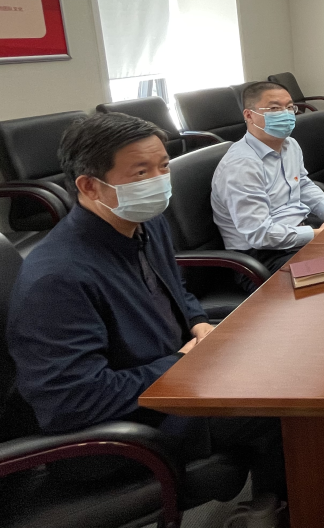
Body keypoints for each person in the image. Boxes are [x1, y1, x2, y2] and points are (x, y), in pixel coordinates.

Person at [6, 113, 287, 516]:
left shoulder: (145, 223)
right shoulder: (58, 278)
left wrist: (198, 323)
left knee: (280, 351)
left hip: (170, 378)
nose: (159, 180)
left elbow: (176, 289)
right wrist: (180, 364)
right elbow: (73, 402)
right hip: (120, 430)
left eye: (163, 166)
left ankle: (277, 501)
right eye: (141, 172)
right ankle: (282, 510)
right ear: (89, 186)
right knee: (282, 403)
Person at [211, 81, 324, 290]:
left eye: (289, 107)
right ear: (249, 115)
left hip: (300, 230)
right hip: (262, 256)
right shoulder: (241, 165)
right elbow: (260, 234)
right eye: (274, 108)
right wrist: (315, 234)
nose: (285, 114)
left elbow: (302, 184)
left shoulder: (290, 145)